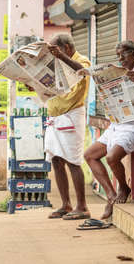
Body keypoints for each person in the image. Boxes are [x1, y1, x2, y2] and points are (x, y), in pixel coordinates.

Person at [83, 40, 134, 220]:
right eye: (118, 56)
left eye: (123, 55)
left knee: (111, 157)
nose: (120, 59)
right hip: (119, 123)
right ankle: (111, 195)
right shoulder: (119, 73)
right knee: (89, 155)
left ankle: (123, 188)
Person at [43, 34, 91, 220]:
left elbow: (84, 72)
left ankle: (82, 206)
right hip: (55, 116)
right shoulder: (56, 63)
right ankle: (65, 204)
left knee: (73, 160)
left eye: (57, 50)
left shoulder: (81, 60)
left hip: (72, 115)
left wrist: (61, 57)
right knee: (56, 159)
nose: (55, 54)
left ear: (67, 47)